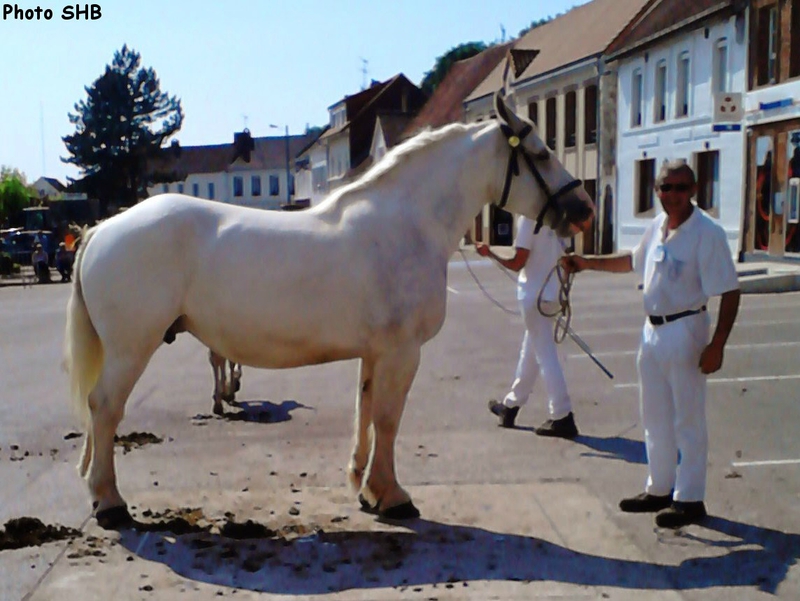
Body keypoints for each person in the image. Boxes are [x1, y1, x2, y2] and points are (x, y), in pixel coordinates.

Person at [561, 161, 741, 528]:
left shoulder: (707, 233)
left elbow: (730, 290)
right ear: (656, 191)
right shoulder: (657, 226)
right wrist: (585, 263)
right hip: (653, 331)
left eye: (679, 187)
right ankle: (659, 487)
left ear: (693, 190)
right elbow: (632, 261)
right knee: (654, 415)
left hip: (686, 329)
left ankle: (690, 497)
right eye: (665, 187)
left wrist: (717, 344)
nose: (672, 195)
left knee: (687, 418)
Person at [476, 216, 579, 438]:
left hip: (534, 295)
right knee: (531, 351)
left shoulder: (529, 216)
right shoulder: (558, 215)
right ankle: (511, 406)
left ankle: (562, 415)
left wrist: (490, 252)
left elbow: (517, 261)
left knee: (545, 354)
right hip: (554, 293)